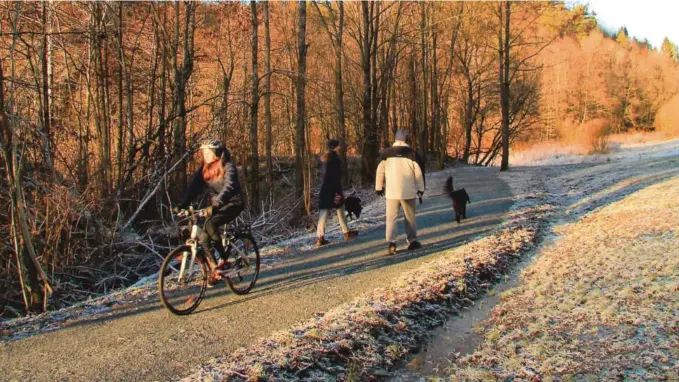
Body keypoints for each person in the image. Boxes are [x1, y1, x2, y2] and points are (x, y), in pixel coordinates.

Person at [176, 139, 244, 280]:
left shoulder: (228, 166)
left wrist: (216, 204)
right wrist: (182, 204)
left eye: (208, 152)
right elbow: (193, 188)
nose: (205, 155)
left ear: (217, 154)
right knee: (201, 231)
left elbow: (229, 187)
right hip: (215, 205)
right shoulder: (205, 169)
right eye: (204, 153)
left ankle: (224, 260)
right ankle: (214, 266)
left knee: (210, 224)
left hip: (233, 203)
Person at [375, 130, 425, 255]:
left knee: (391, 218)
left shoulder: (386, 154)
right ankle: (412, 241)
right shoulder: (412, 154)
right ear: (406, 140)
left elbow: (379, 171)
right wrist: (421, 189)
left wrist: (379, 187)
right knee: (409, 217)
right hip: (408, 192)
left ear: (395, 140)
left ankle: (391, 243)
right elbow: (418, 173)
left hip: (391, 192)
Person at [316, 139, 359, 246]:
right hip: (333, 189)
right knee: (340, 209)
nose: (339, 147)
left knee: (324, 213)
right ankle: (346, 232)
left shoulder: (324, 159)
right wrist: (337, 192)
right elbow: (335, 177)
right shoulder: (335, 160)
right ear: (335, 147)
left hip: (325, 189)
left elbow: (323, 175)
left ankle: (320, 237)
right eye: (338, 146)